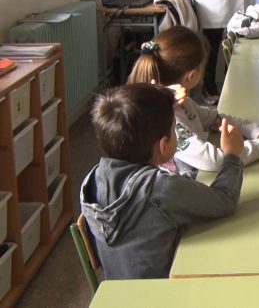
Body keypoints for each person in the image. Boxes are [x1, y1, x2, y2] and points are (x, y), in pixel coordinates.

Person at [80, 83, 245, 279]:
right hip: (166, 292)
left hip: (120, 293)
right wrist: (232, 155)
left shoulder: (92, 180)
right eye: (174, 129)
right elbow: (224, 200)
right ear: (163, 145)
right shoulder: (160, 189)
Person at [128, 26, 259, 177]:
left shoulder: (185, 104)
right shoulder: (169, 122)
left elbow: (216, 119)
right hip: (181, 194)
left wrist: (257, 131)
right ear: (192, 76)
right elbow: (216, 161)